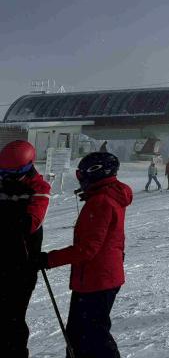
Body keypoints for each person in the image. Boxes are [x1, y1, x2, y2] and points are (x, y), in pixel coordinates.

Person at [38, 151, 132, 358]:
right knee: (84, 335)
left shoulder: (101, 201)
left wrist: (48, 259)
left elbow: (88, 249)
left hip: (97, 279)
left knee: (91, 336)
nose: (80, 179)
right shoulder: (109, 196)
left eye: (82, 175)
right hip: (101, 277)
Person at [0, 140, 51, 358]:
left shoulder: (39, 188)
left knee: (12, 318)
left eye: (13, 174)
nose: (7, 178)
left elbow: (30, 223)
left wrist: (11, 208)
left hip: (22, 265)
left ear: (28, 167)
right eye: (3, 173)